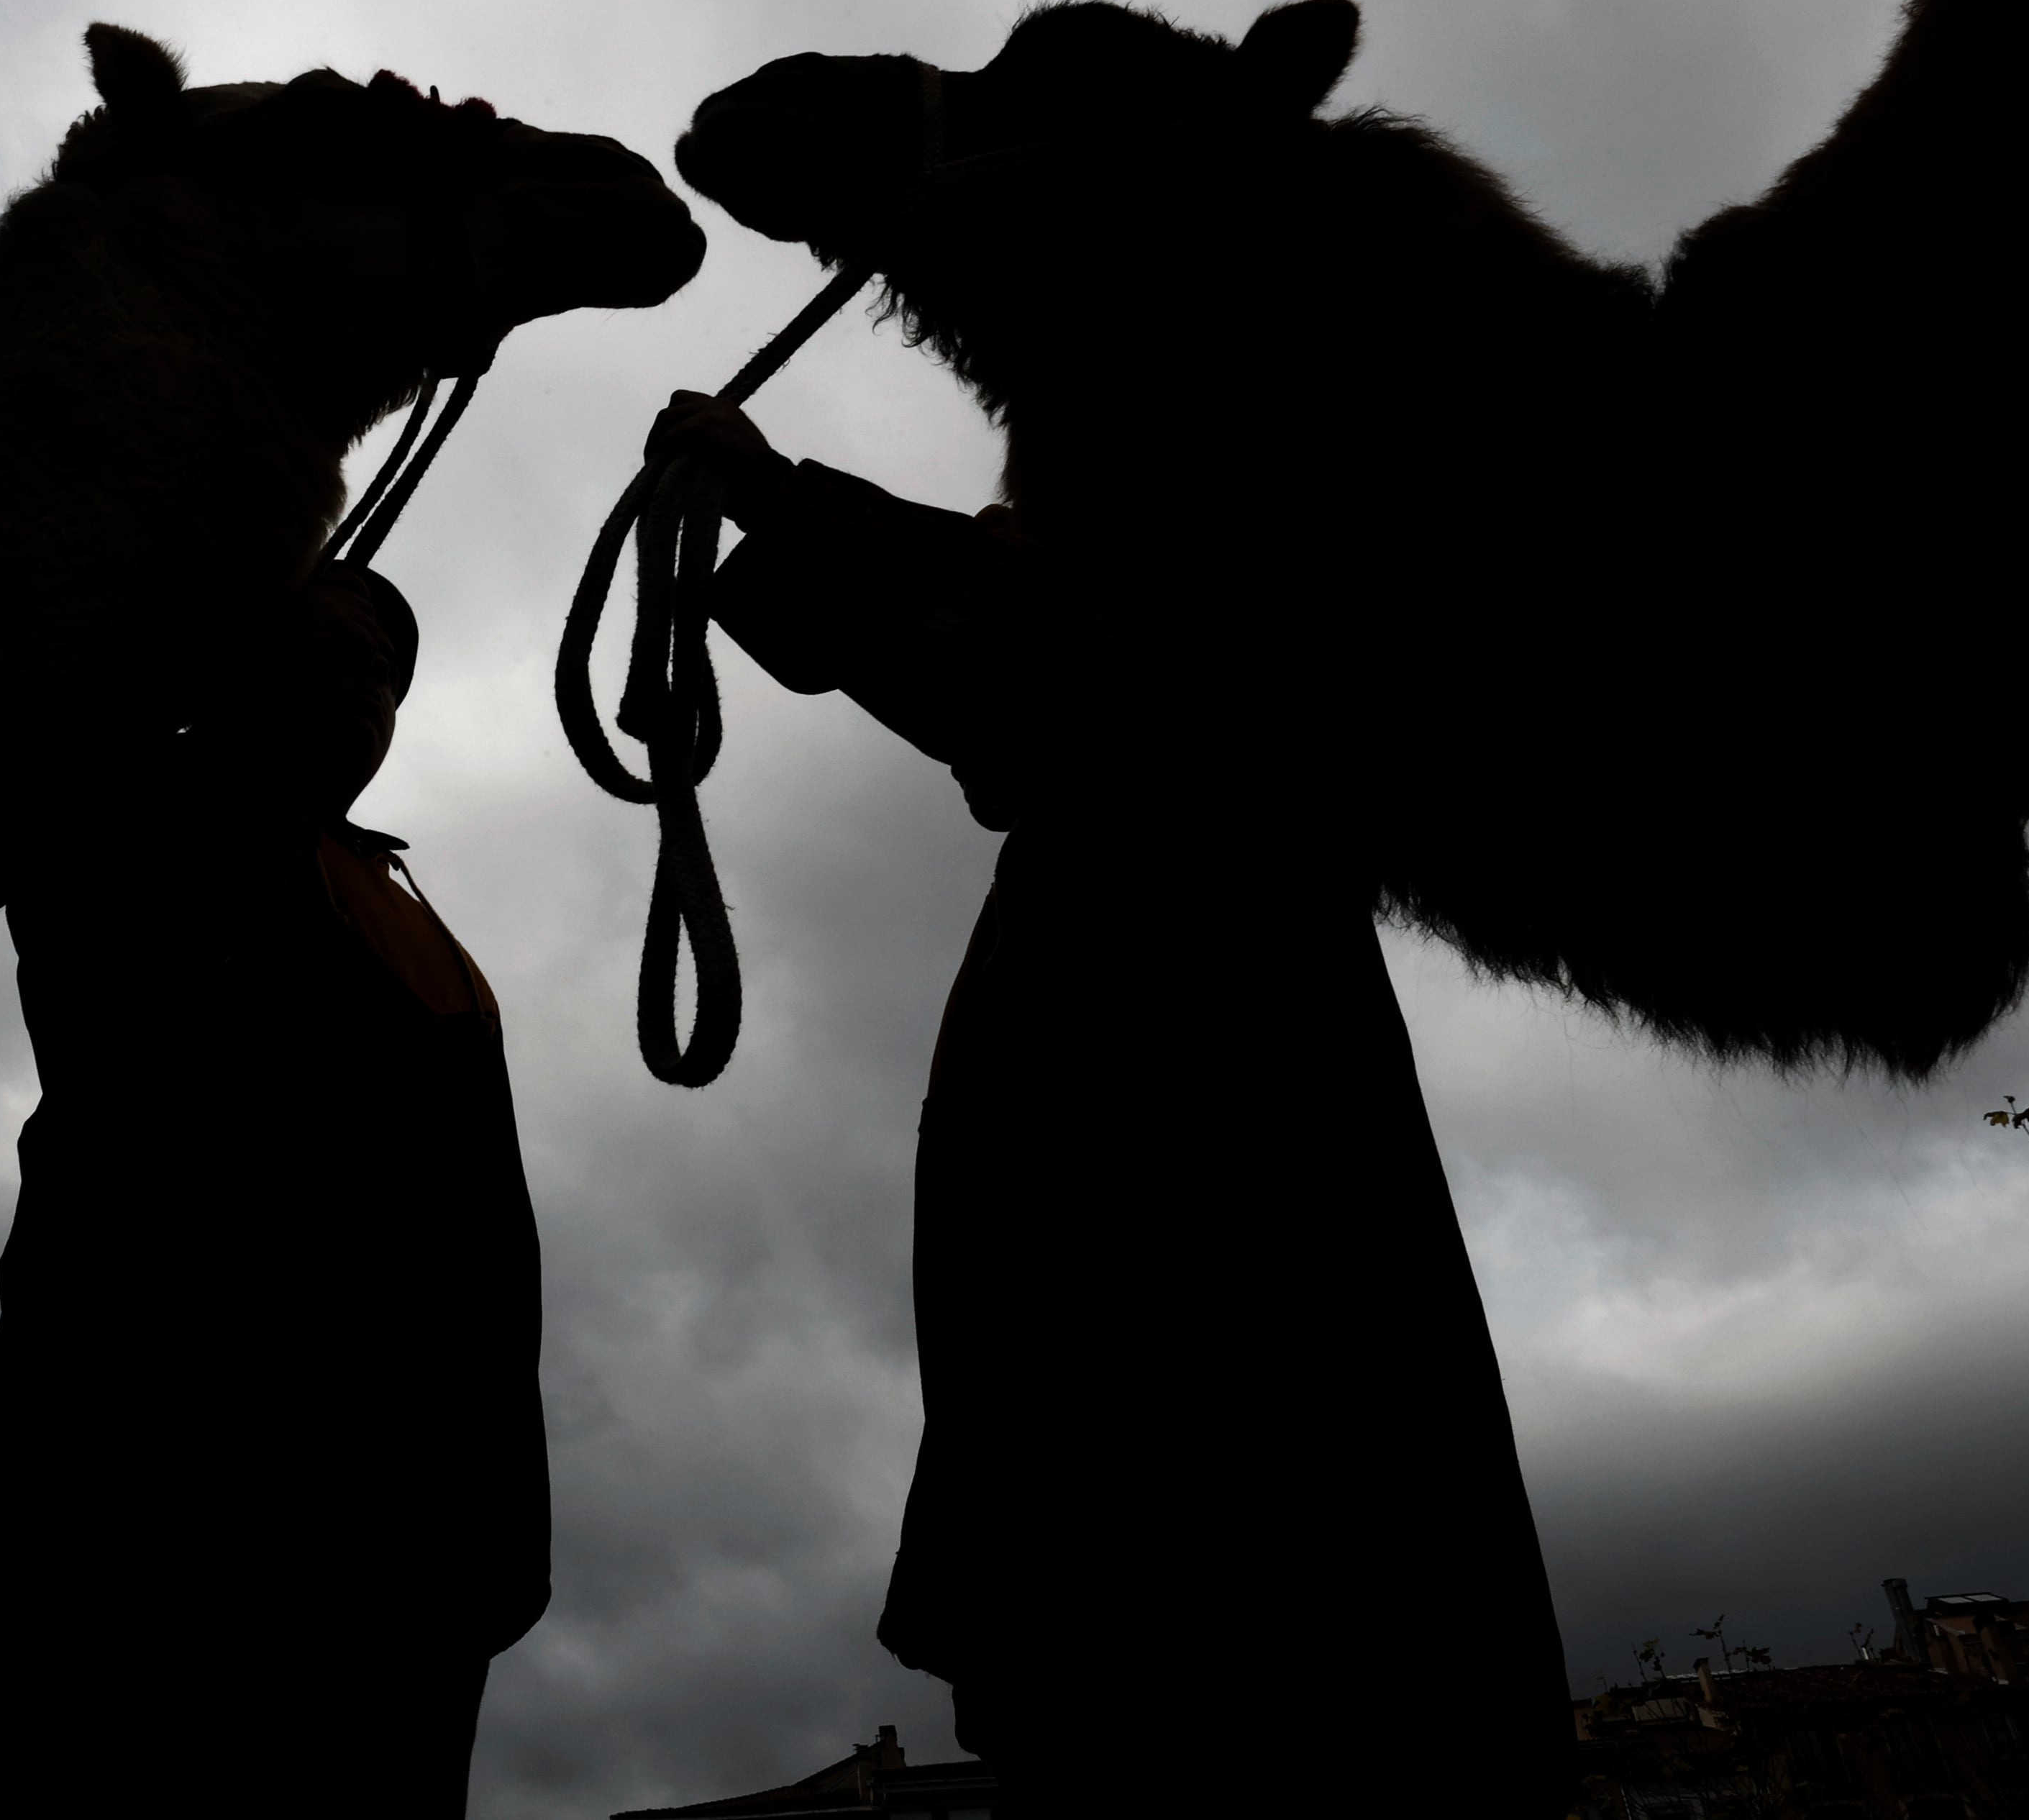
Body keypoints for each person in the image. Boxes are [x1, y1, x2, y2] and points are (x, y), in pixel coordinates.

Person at [654, 393, 1559, 1808]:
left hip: (1200, 1485)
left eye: (1031, 526)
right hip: (1175, 1471)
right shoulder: (1160, 736)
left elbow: (1029, 653)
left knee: (1184, 1682)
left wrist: (780, 503)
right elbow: (1008, 607)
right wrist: (782, 496)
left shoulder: (1196, 705)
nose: (1001, 532)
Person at [0, 561, 547, 1811]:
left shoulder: (404, 910)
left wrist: (500, 1526)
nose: (371, 688)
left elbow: (482, 1251)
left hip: (412, 1534)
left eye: (389, 679)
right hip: (170, 1506)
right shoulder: (130, 815)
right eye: (340, 649)